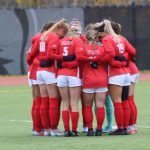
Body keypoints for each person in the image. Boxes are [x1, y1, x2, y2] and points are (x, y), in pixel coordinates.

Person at [95, 19, 136, 135]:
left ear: (103, 32)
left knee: (117, 102)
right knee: (125, 101)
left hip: (115, 74)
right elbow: (133, 51)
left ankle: (121, 128)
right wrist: (124, 58)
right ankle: (126, 127)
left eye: (99, 33)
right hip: (126, 74)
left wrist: (100, 61)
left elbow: (110, 54)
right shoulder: (121, 38)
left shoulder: (107, 39)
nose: (99, 36)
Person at [76, 28, 109, 136]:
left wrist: (90, 58)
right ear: (98, 37)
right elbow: (109, 57)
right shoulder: (102, 48)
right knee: (100, 105)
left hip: (89, 79)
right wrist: (97, 59)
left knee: (87, 106)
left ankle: (89, 129)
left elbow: (79, 58)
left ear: (86, 37)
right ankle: (99, 129)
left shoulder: (83, 47)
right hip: (102, 79)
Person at [26, 23, 53, 136]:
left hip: (33, 69)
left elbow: (29, 55)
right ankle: (39, 128)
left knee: (37, 101)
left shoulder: (38, 37)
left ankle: (36, 128)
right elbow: (31, 55)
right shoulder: (45, 38)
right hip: (38, 69)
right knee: (41, 101)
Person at [128, 53, 139, 134]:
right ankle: (133, 125)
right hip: (132, 70)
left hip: (130, 71)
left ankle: (132, 127)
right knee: (130, 100)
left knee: (129, 100)